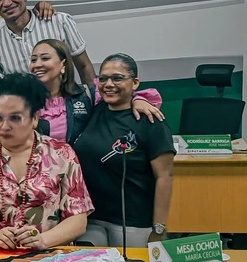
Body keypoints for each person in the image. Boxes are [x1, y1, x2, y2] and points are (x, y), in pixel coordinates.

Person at [0, 73, 93, 249]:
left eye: (15, 118)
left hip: (45, 260)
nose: (4, 126)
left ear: (35, 118)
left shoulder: (61, 154)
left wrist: (44, 240)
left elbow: (78, 219)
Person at [72, 54, 175, 247]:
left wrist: (159, 228)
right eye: (103, 78)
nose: (109, 84)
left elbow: (165, 177)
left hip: (133, 224)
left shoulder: (150, 120)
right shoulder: (94, 110)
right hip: (91, 220)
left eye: (117, 78)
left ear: (135, 83)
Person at [30, 39, 164, 144]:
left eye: (45, 58)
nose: (37, 64)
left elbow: (119, 94)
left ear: (63, 65)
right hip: (38, 175)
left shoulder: (86, 95)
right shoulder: (25, 101)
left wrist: (138, 99)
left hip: (81, 175)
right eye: (33, 60)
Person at [0, 0, 95, 83]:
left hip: (64, 98)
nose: (7, 2)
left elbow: (84, 67)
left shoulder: (59, 22)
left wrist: (94, 99)